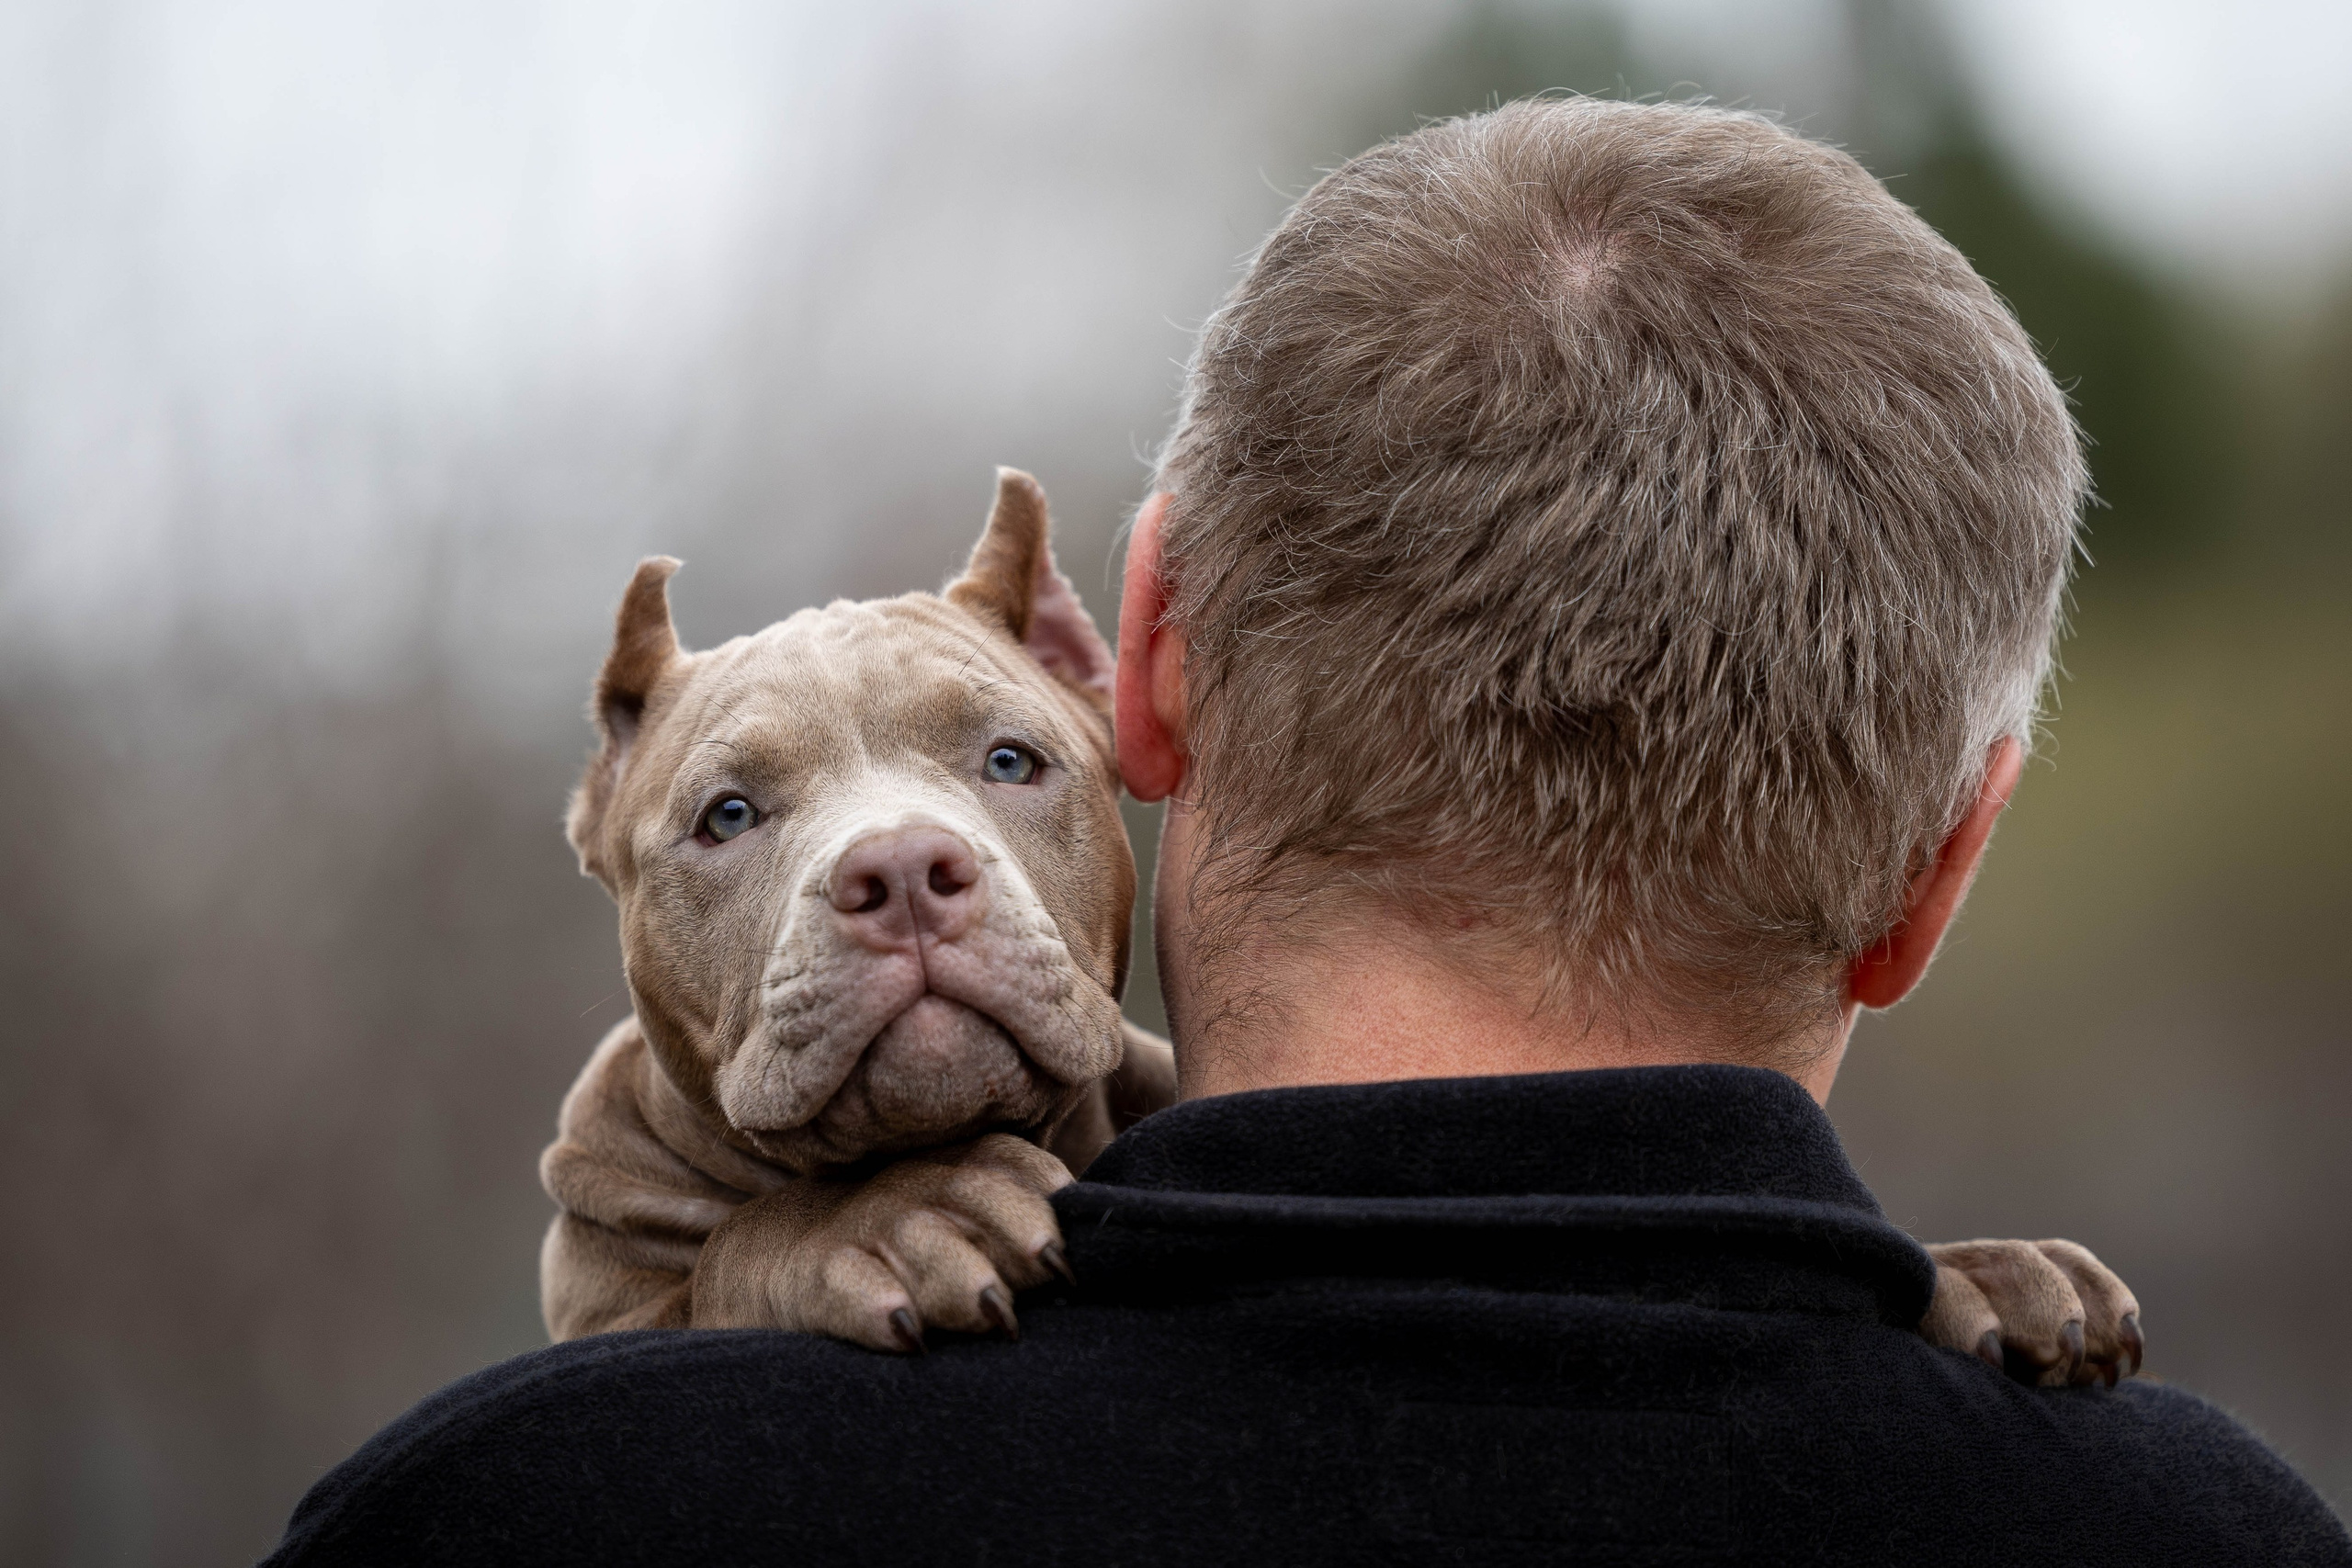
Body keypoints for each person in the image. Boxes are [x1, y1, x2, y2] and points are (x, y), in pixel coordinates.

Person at [266, 99, 2349, 1565]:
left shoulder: (519, 1518)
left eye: (997, 762)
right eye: (741, 806)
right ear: (1938, 865)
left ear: (1135, 662)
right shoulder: (2215, 1529)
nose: (897, 858)